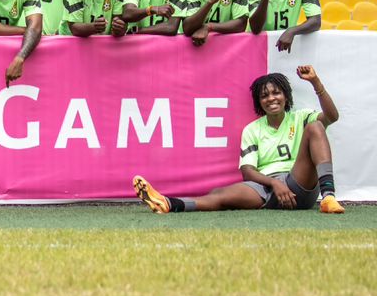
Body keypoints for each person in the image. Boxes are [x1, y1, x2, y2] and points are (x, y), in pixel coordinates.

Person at [134, 66, 344, 215]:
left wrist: (315, 82)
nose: (271, 98)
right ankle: (168, 204)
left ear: (286, 96)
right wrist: (273, 184)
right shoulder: (252, 129)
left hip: (297, 184)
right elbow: (248, 171)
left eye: (276, 93)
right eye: (265, 96)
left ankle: (328, 197)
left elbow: (332, 117)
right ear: (259, 102)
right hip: (266, 187)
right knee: (220, 195)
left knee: (316, 127)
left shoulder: (300, 117)